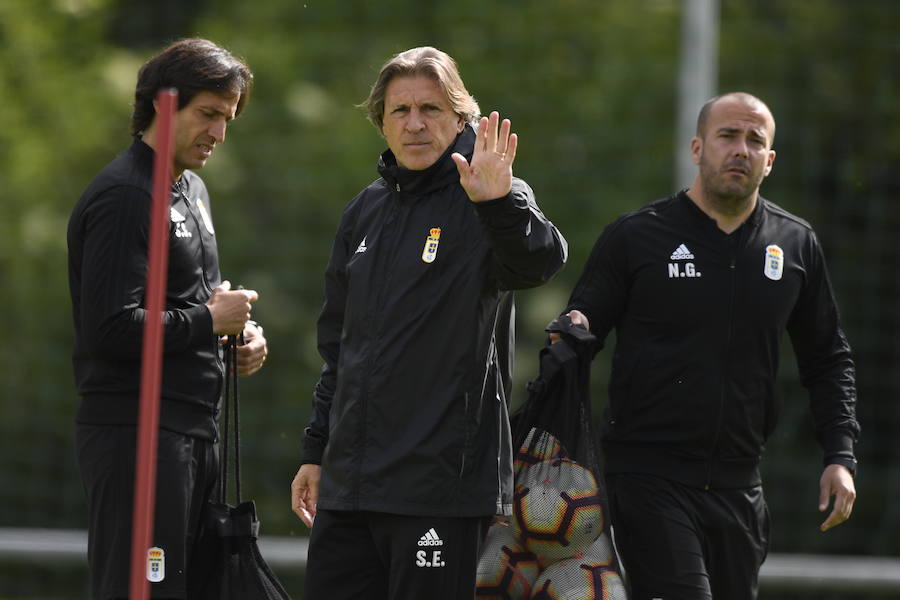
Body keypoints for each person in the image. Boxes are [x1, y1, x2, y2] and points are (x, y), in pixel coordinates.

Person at [556, 91, 859, 599]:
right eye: (727, 136)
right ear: (698, 148)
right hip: (647, 479)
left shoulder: (797, 245)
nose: (740, 149)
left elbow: (828, 359)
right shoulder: (636, 237)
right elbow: (575, 337)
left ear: (770, 160)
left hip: (741, 485)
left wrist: (840, 454)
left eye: (754, 140)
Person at [290, 46, 567, 599]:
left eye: (431, 109)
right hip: (350, 485)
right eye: (400, 110)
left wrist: (499, 203)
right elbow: (339, 347)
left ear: (461, 118)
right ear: (381, 122)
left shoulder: (490, 194)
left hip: (439, 484)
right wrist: (317, 451)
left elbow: (539, 262)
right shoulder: (363, 211)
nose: (415, 124)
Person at [67, 38, 267, 600]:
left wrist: (237, 340)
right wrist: (209, 320)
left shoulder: (193, 188)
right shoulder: (126, 195)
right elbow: (110, 328)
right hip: (138, 436)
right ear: (162, 104)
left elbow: (187, 306)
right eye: (208, 114)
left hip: (192, 433)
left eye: (227, 119)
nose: (219, 134)